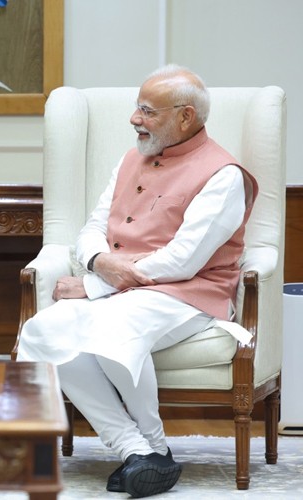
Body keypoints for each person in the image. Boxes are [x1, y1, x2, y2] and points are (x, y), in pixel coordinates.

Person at [16, 64, 258, 498]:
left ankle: (152, 446)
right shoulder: (132, 158)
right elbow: (94, 225)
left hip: (190, 294)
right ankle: (140, 452)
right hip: (128, 288)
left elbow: (183, 261)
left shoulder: (225, 175)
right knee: (43, 329)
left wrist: (94, 285)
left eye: (147, 111)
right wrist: (96, 259)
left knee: (111, 331)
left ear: (185, 117)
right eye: (136, 108)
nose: (135, 119)